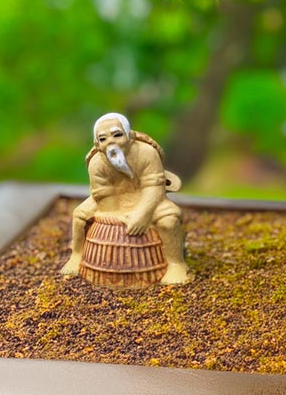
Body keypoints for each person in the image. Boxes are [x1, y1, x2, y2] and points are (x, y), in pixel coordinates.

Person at [61, 112, 190, 284]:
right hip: (110, 203)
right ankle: (77, 255)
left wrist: (143, 213)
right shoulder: (97, 163)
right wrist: (119, 217)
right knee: (79, 217)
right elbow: (103, 195)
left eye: (117, 135)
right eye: (103, 139)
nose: (111, 142)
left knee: (169, 221)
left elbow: (154, 187)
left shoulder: (147, 153)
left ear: (130, 136)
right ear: (97, 144)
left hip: (147, 198)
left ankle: (176, 264)